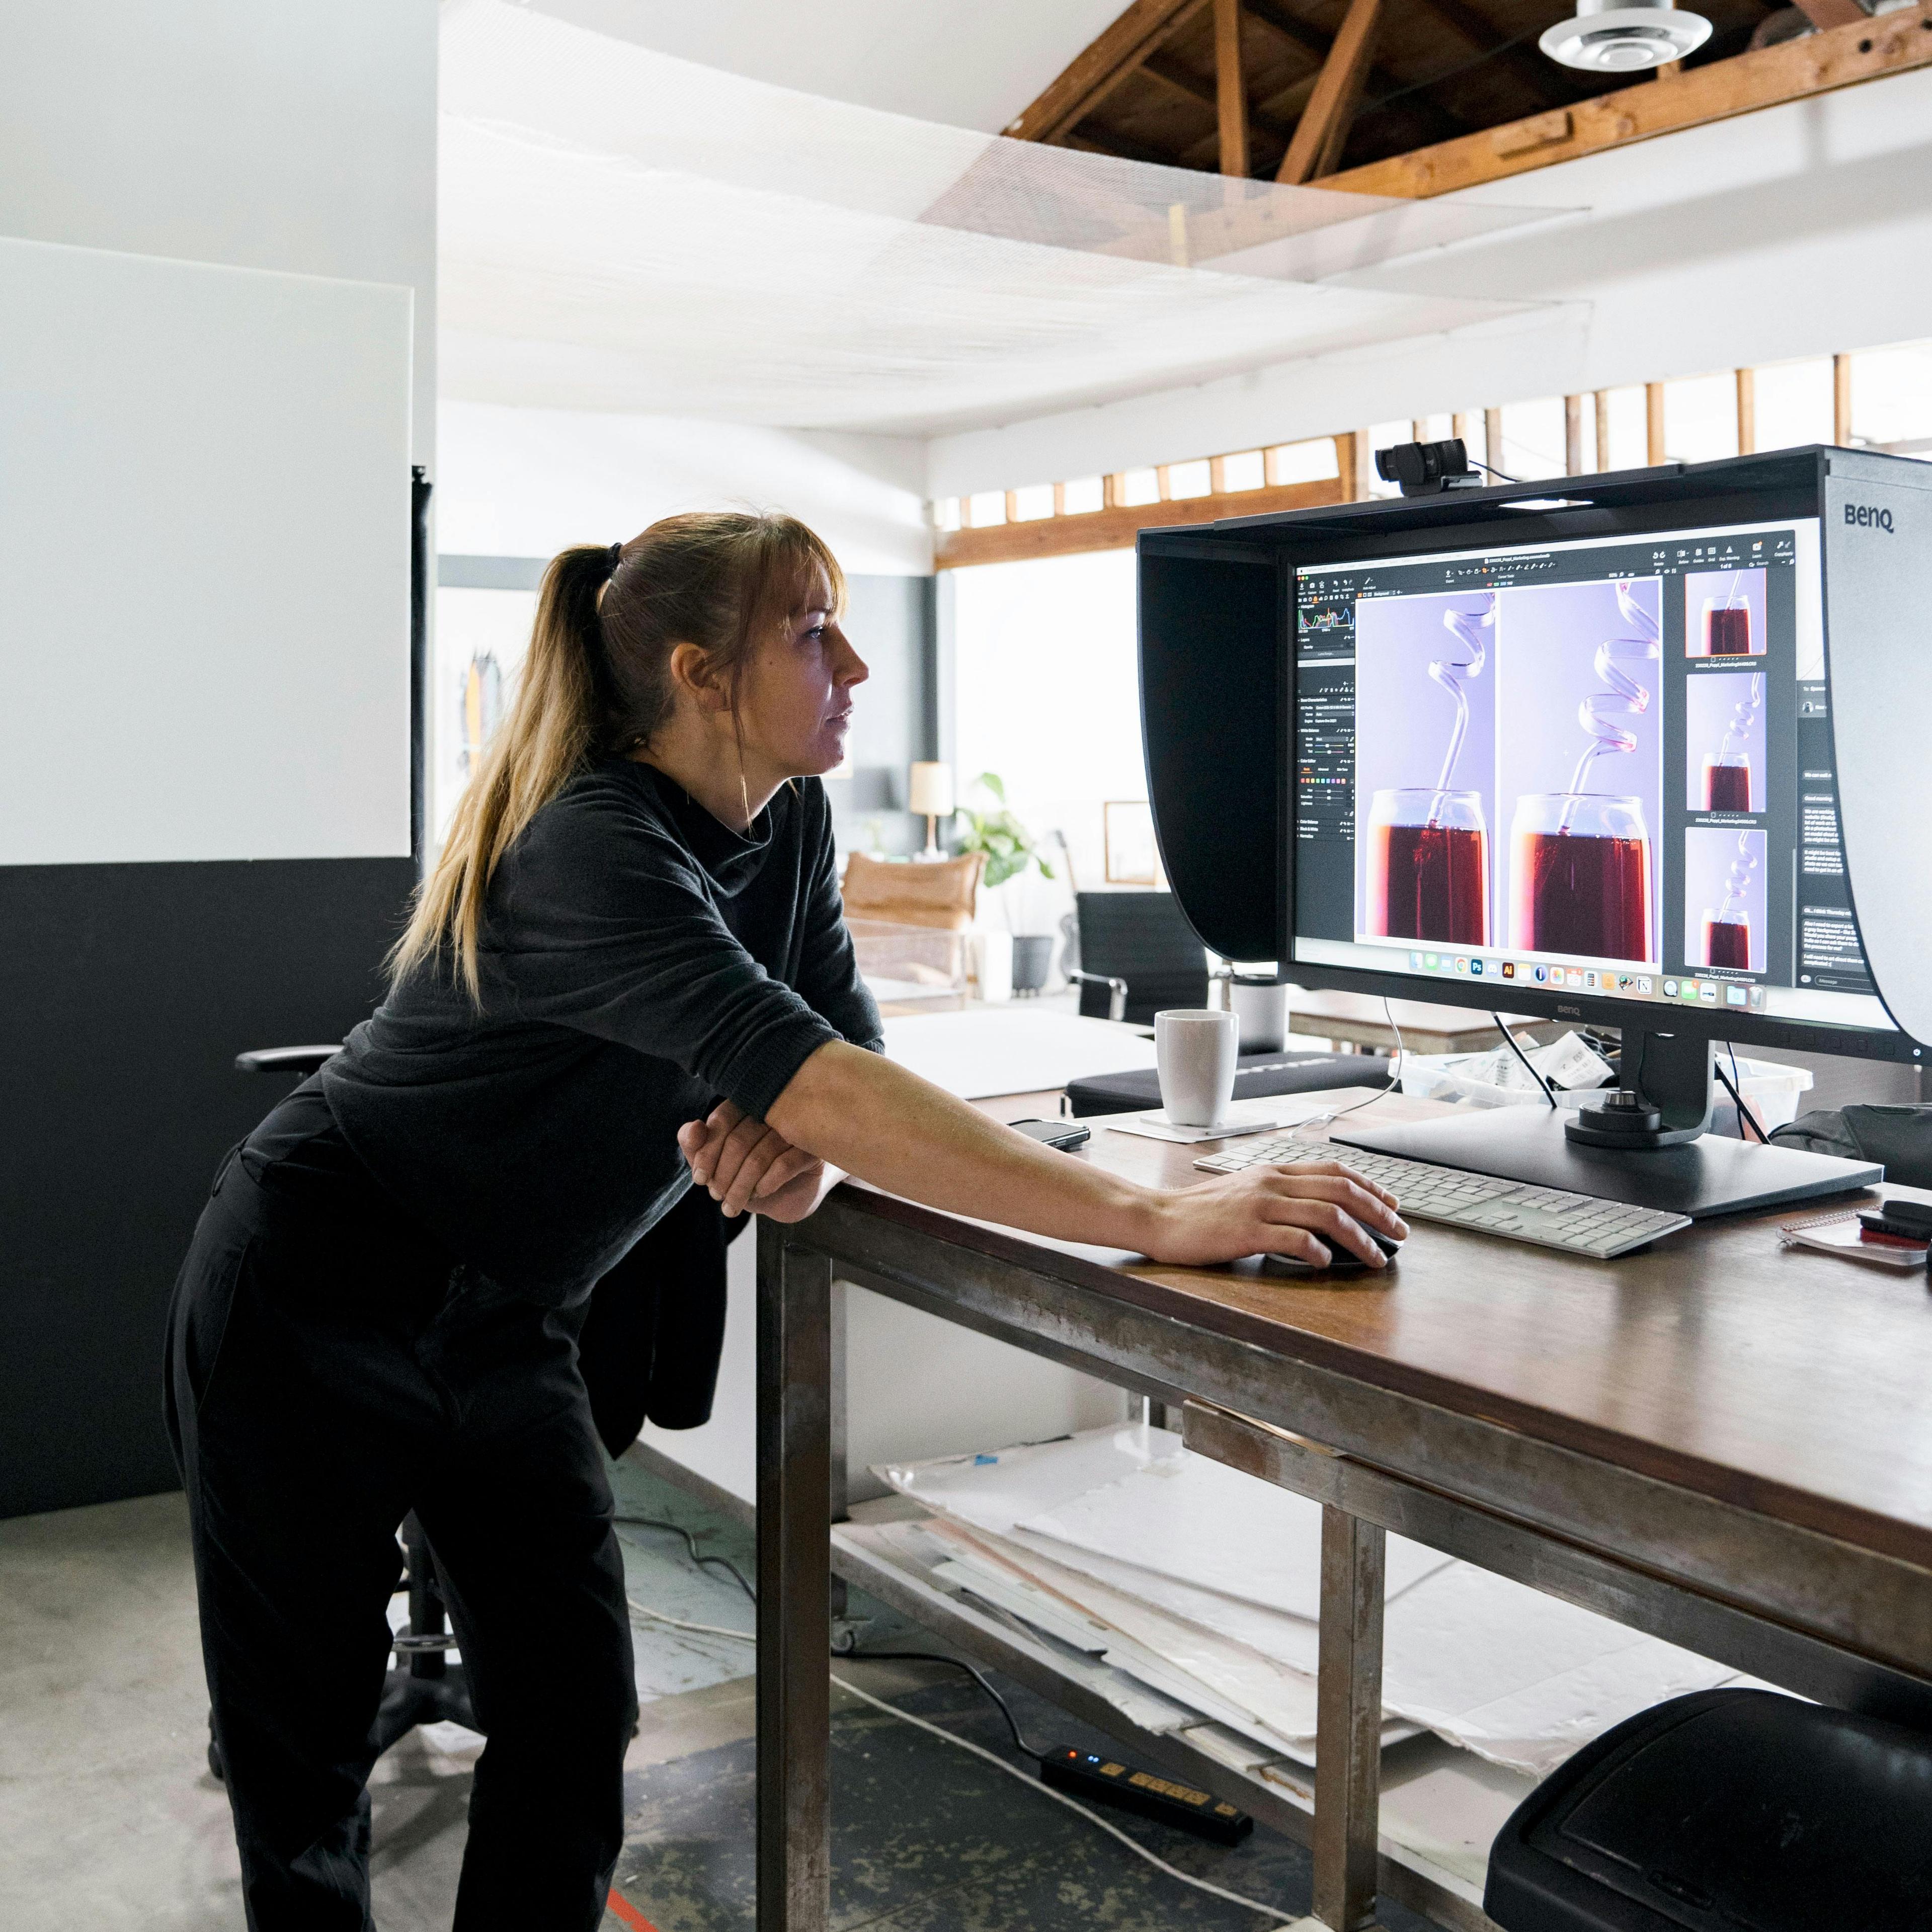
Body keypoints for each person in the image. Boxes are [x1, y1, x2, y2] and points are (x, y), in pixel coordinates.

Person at [164, 511, 1405, 1930]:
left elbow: (838, 1065)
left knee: (573, 1722)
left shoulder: (791, 822)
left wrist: (808, 1153)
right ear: (702, 676)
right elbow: (812, 1072)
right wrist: (1154, 1213)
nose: (857, 663)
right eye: (813, 631)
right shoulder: (593, 846)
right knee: (302, 1767)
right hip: (314, 1291)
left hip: (506, 1319)